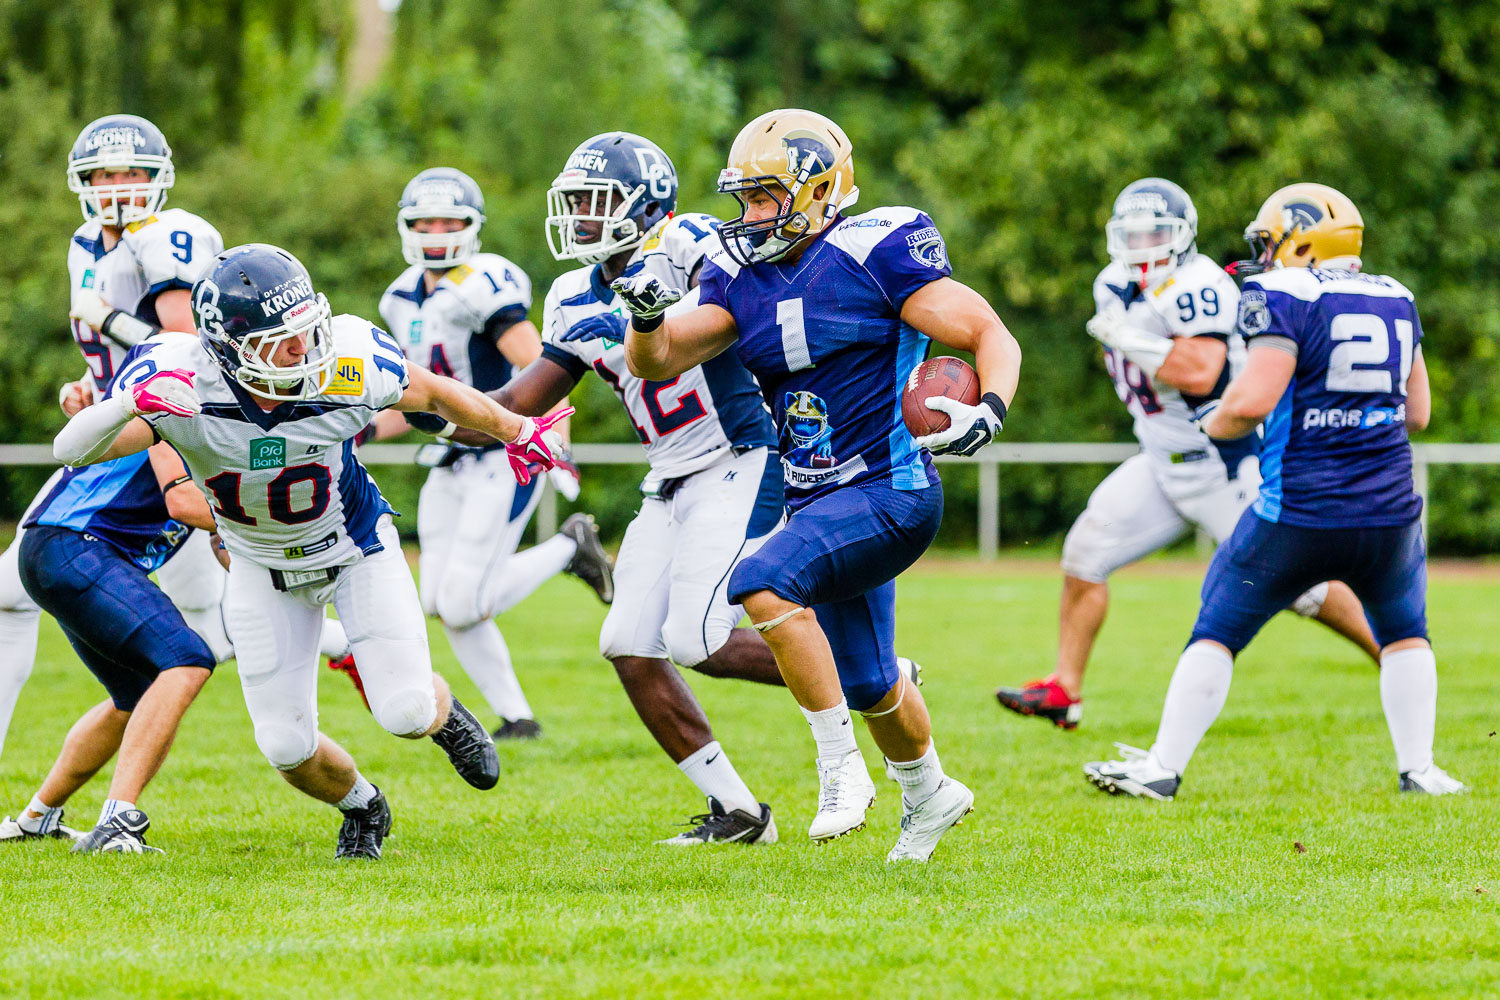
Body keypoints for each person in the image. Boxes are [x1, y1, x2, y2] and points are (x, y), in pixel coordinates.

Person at [51, 242, 569, 859]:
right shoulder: (182, 381)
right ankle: (363, 805)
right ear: (232, 348)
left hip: (355, 550)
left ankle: (443, 711)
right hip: (259, 565)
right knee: (285, 748)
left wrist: (516, 430)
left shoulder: (345, 360)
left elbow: (432, 394)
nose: (303, 349)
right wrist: (126, 403)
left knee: (403, 710)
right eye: (281, 340)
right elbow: (72, 451)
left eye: (306, 329)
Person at [618, 109, 1022, 862]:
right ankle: (931, 794)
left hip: (890, 489)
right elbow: (661, 357)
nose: (751, 215)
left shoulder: (875, 250)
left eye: (766, 196)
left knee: (763, 582)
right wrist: (644, 318)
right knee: (870, 680)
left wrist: (988, 410)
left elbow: (988, 332)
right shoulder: (738, 276)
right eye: (744, 198)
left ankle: (840, 769)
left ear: (818, 189)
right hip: (817, 496)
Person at [438, 130, 804, 845]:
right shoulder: (574, 292)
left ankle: (871, 675)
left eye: (594, 201)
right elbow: (520, 401)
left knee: (696, 636)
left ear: (649, 205)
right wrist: (426, 406)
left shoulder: (693, 242)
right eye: (573, 202)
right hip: (671, 473)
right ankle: (738, 811)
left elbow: (756, 304)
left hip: (740, 450)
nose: (578, 216)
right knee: (630, 643)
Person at [1084, 183, 1465, 799]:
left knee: (1217, 627)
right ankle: (1419, 770)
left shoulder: (1282, 292)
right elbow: (1417, 412)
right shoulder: (1396, 295)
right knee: (1404, 632)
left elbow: (1252, 399)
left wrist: (1218, 423)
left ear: (1301, 237)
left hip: (1302, 508)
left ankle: (1163, 767)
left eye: (1268, 241)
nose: (1262, 255)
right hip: (1390, 510)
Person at [0, 114, 353, 758]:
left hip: (171, 433)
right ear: (82, 180)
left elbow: (193, 352)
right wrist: (89, 388)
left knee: (13, 594)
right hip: (138, 427)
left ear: (158, 178)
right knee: (208, 617)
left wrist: (108, 326)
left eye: (131, 172)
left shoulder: (170, 233)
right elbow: (119, 359)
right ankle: (344, 644)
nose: (118, 187)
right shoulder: (85, 243)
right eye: (104, 174)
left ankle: (348, 644)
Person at [996, 179, 1379, 729]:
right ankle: (1065, 690)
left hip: (1223, 462)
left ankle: (1394, 652)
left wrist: (1134, 341)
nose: (1141, 243)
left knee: (1306, 587)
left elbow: (1202, 371)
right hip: (1159, 461)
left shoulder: (1198, 285)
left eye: (1153, 230)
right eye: (1130, 232)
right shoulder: (1112, 283)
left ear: (1181, 236)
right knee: (1085, 554)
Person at [376, 166, 612, 739]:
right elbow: (410, 403)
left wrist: (548, 440)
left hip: (503, 454)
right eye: (425, 220)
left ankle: (565, 546)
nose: (436, 231)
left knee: (460, 601)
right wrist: (346, 430)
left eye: (449, 220)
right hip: (447, 457)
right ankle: (519, 718)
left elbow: (543, 367)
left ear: (472, 226)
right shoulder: (399, 298)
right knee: (438, 598)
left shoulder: (484, 282)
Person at [0, 445, 221, 853]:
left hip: (61, 550)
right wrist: (265, 520)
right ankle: (116, 823)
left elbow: (222, 540)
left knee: (137, 696)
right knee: (187, 660)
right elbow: (182, 500)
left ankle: (36, 817)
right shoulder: (180, 402)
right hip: (76, 545)